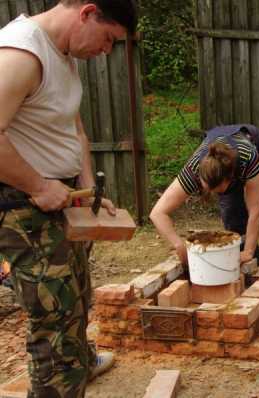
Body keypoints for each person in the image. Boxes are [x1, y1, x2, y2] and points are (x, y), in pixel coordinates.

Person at [0, 1, 137, 396]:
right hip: (23, 207)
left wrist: (84, 192)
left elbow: (73, 131)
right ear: (87, 12)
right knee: (55, 324)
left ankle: (77, 374)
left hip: (54, 201)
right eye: (108, 39)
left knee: (75, 305)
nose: (107, 51)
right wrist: (39, 186)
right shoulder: (22, 52)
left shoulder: (62, 52)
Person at [150, 124, 259, 267]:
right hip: (222, 158)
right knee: (232, 216)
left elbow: (255, 212)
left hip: (255, 142)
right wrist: (178, 245)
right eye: (210, 189)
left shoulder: (248, 159)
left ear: (230, 177)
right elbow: (157, 213)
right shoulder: (194, 170)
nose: (214, 194)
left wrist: (248, 252)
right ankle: (253, 268)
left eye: (218, 190)